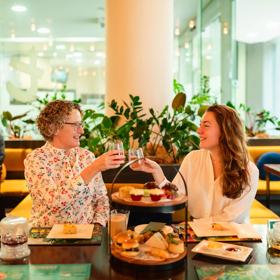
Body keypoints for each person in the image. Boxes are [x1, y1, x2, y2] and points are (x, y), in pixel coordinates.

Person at [132, 104, 259, 223]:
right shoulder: (193, 159)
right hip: (197, 238)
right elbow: (175, 196)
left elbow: (231, 219)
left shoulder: (249, 171)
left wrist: (192, 227)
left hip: (234, 241)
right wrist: (157, 172)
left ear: (225, 131)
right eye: (200, 124)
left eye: (206, 125)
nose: (199, 130)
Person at [24, 100, 125, 227]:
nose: (81, 131)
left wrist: (97, 226)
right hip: (48, 238)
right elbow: (55, 202)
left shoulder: (87, 156)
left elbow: (101, 198)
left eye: (81, 124)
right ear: (53, 127)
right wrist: (93, 168)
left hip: (88, 236)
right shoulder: (36, 159)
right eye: (75, 125)